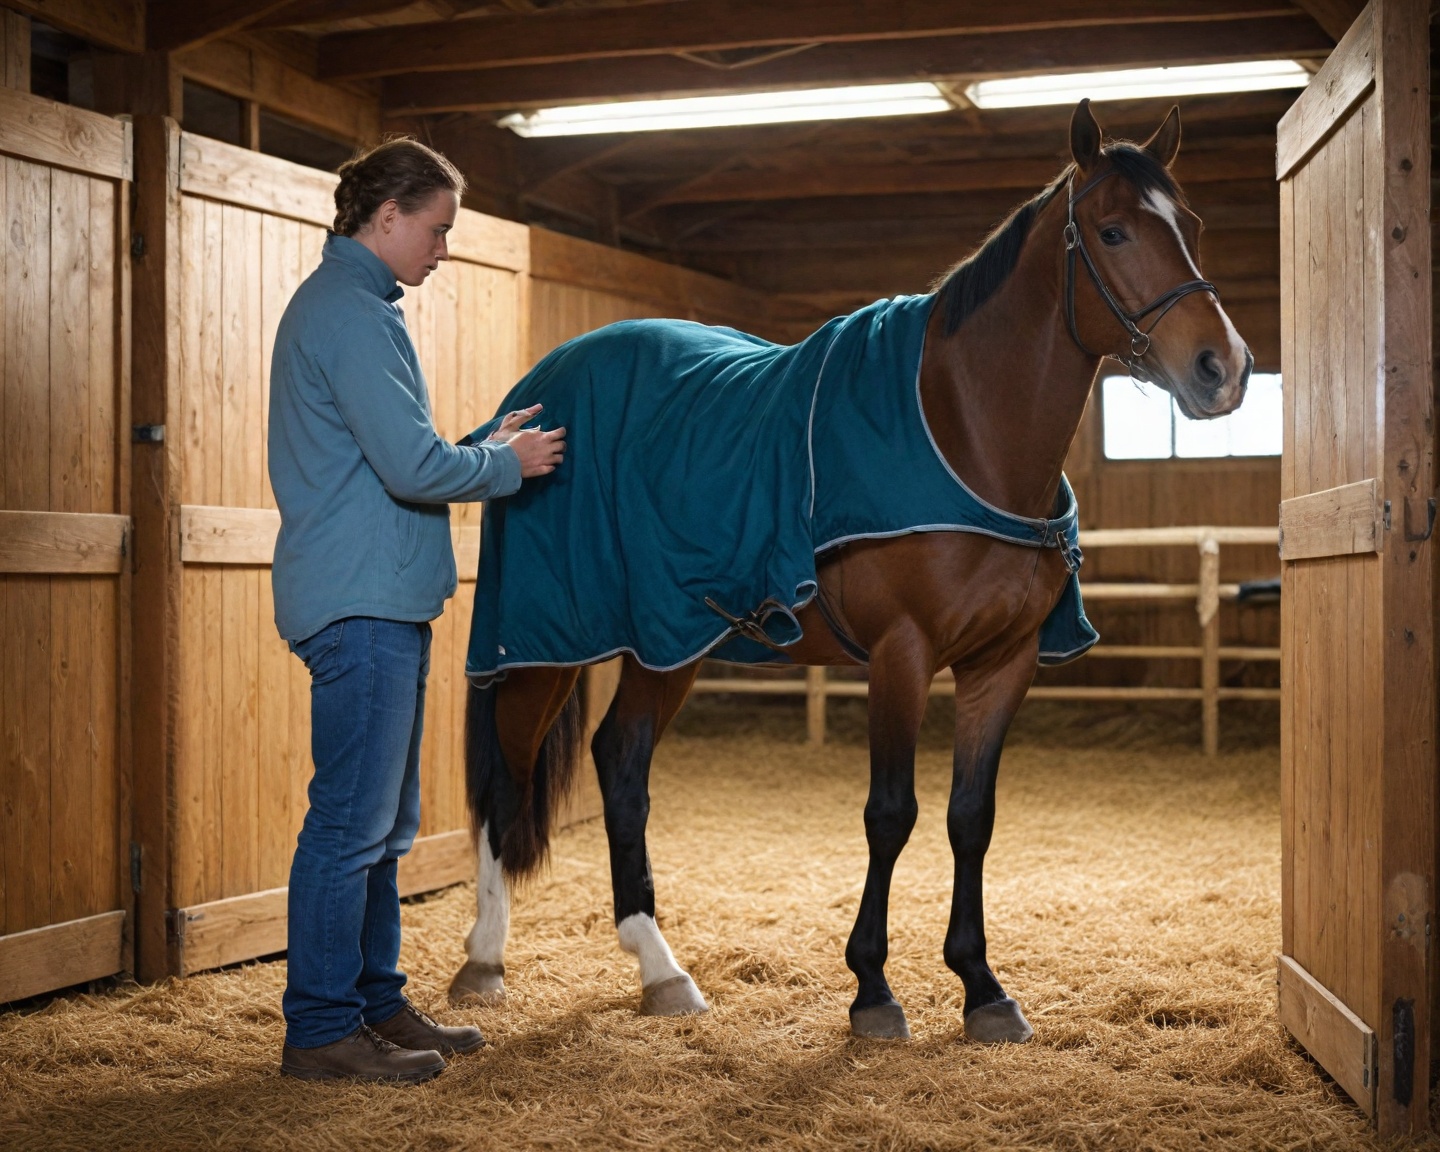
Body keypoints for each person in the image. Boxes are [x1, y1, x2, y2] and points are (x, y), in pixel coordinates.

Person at [267, 137, 565, 1084]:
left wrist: (481, 442)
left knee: (383, 829)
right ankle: (322, 1030)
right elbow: (409, 468)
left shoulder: (354, 307)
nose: (442, 249)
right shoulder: (351, 314)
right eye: (435, 229)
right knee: (349, 828)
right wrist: (504, 466)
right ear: (386, 215)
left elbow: (393, 457)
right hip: (361, 604)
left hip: (377, 598)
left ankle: (375, 1003)